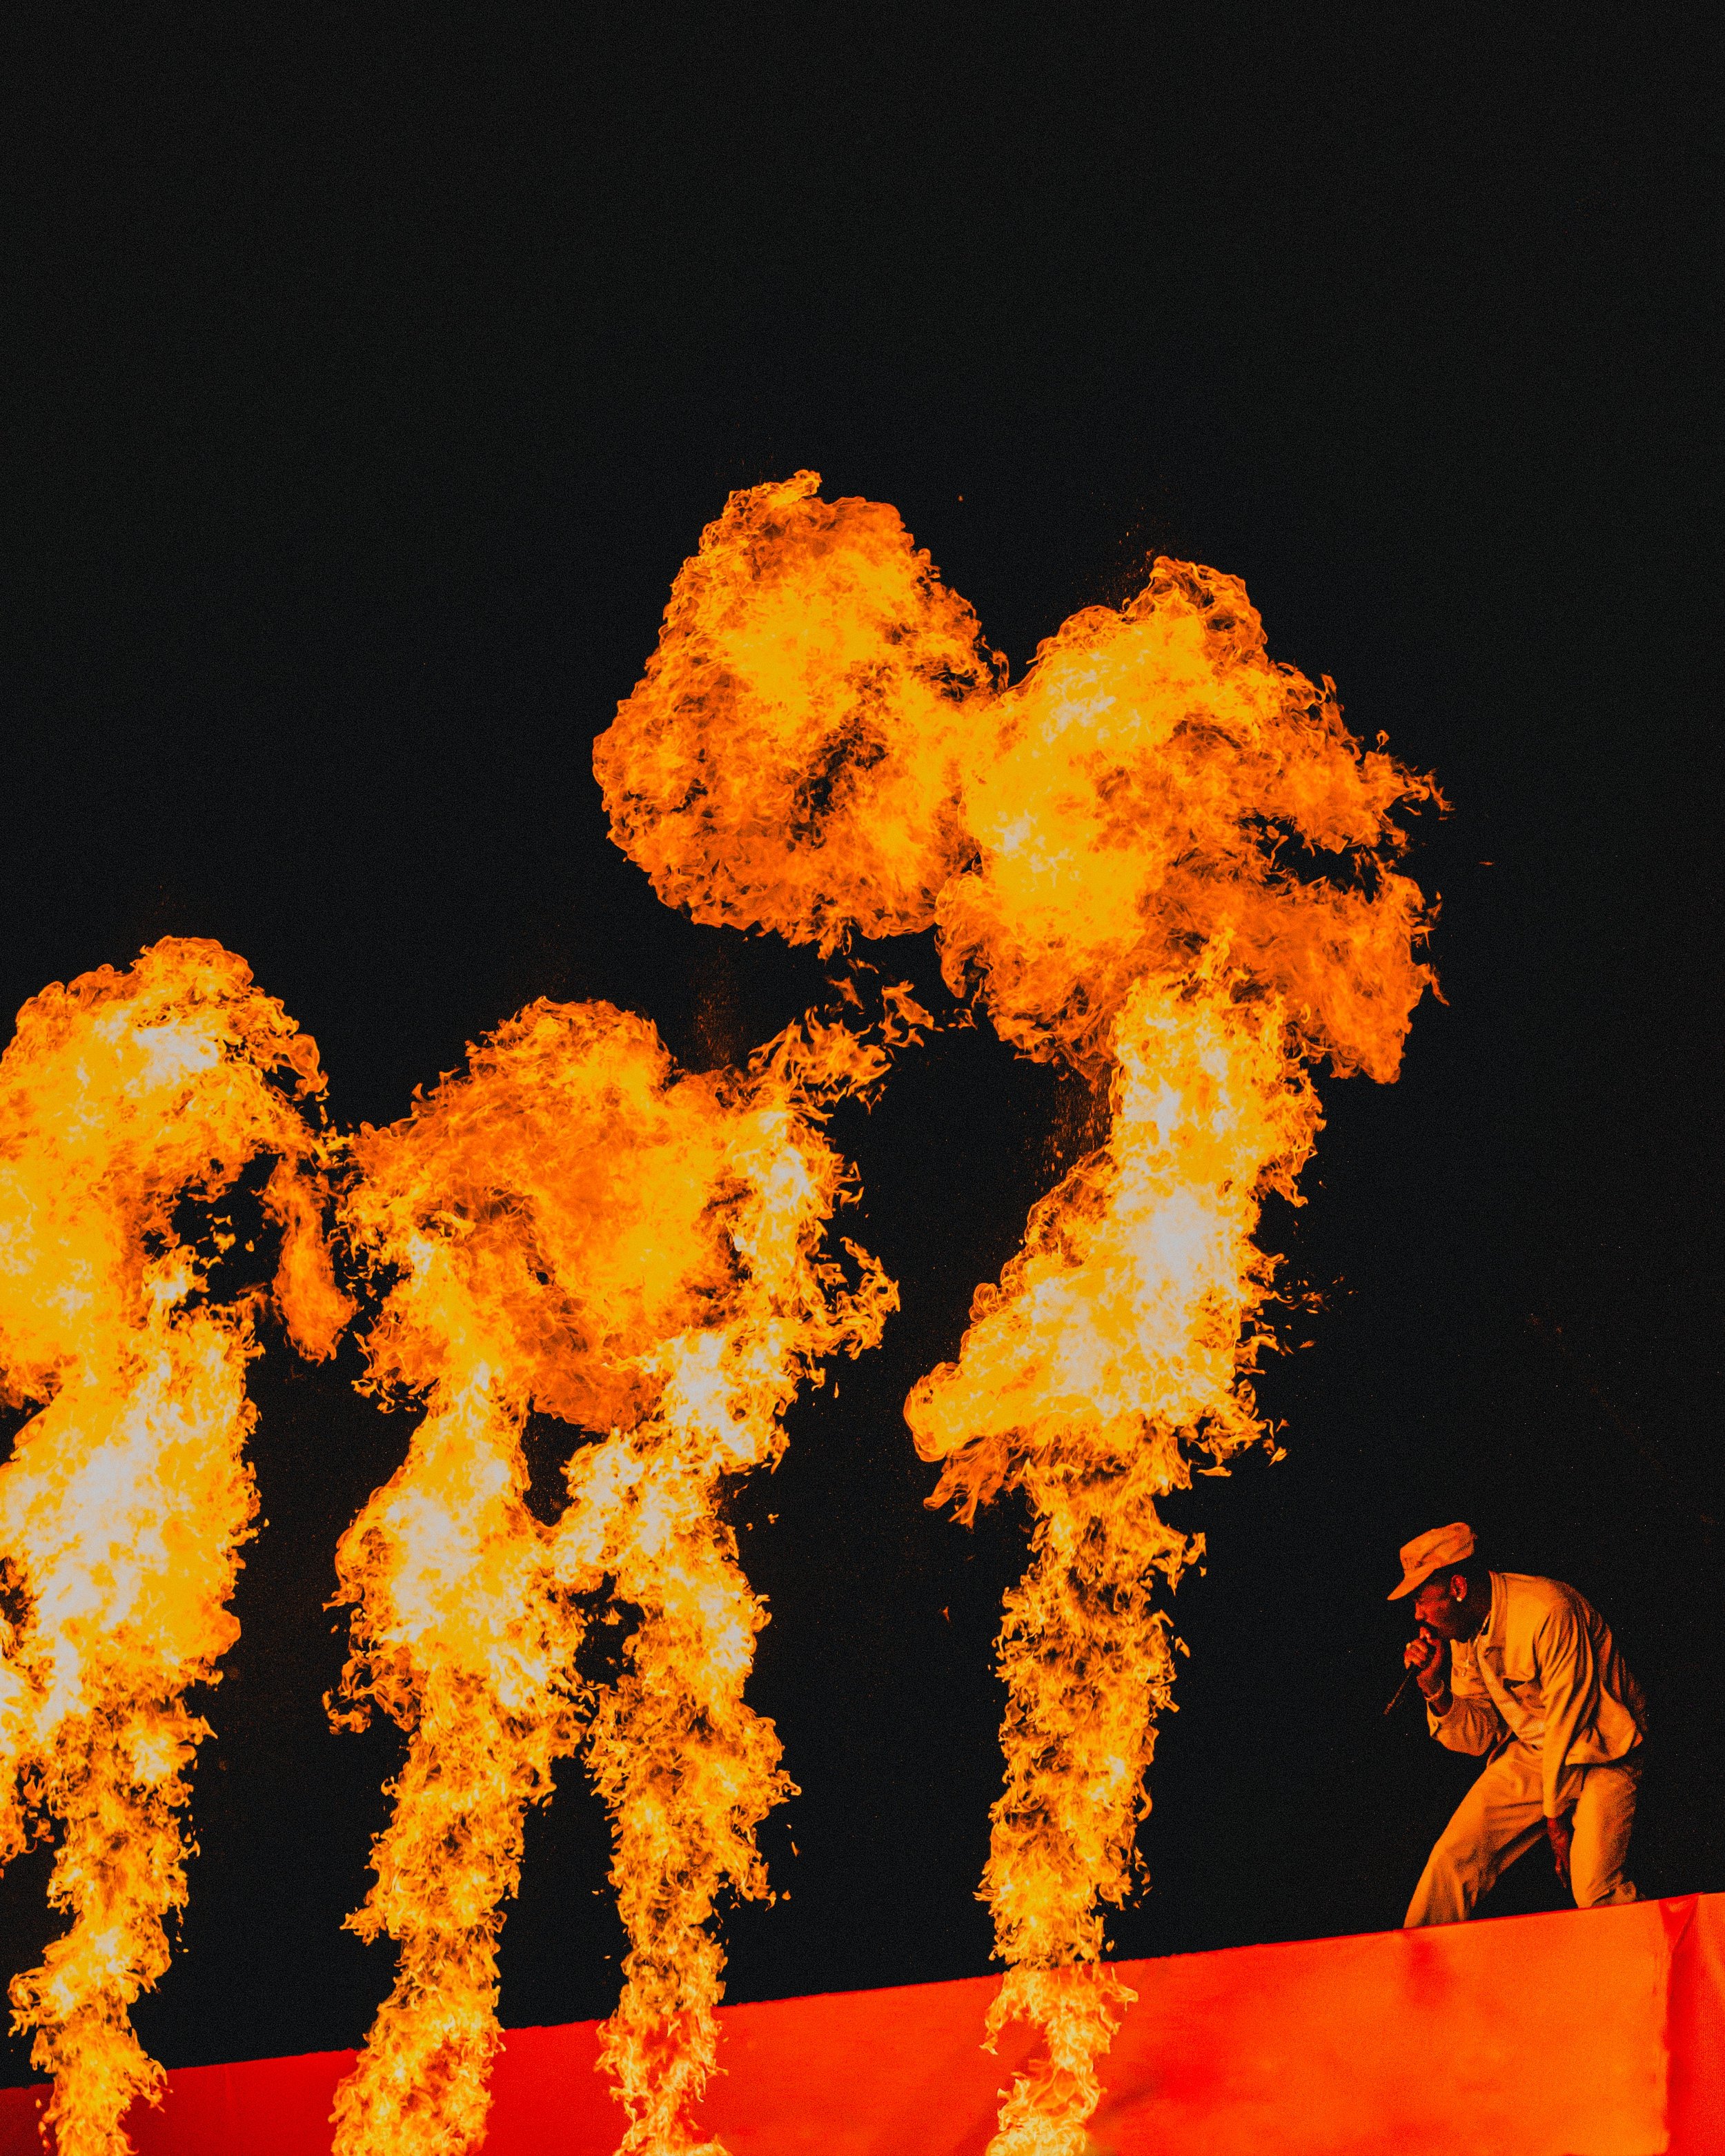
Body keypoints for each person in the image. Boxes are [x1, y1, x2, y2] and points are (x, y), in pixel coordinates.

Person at [1392, 1521, 1648, 1927]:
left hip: (1602, 1746)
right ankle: (1413, 1978)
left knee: (1594, 1889)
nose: (1419, 1615)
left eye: (1423, 1599)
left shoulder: (1547, 1609)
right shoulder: (1463, 1631)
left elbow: (1570, 1719)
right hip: (1537, 1752)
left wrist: (1556, 1822)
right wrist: (1435, 1689)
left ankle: (1658, 1977)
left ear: (1458, 1588)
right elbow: (1480, 1737)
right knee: (1451, 1860)